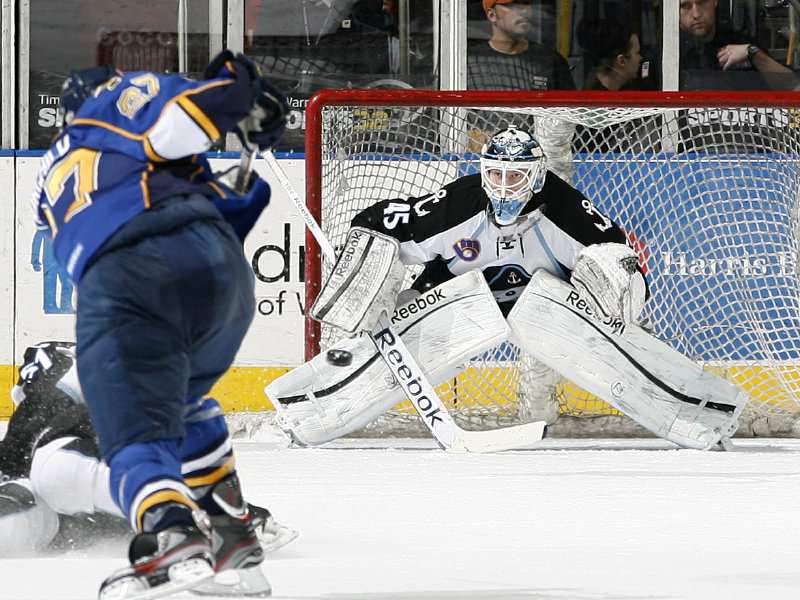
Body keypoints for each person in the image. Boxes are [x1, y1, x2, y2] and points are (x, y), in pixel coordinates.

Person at [29, 49, 289, 600]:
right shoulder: (114, 137)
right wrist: (252, 108)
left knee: (138, 430)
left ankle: (171, 540)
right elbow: (214, 198)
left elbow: (177, 125)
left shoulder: (76, 146)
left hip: (129, 276)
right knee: (185, 405)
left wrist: (236, 83)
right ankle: (231, 536)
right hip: (223, 277)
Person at [0, 341, 297, 557]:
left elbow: (27, 432)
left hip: (67, 470)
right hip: (81, 466)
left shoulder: (67, 373)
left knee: (49, 496)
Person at [641, 0, 793, 90]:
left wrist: (755, 55)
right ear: (673, 9)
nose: (696, 14)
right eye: (685, 5)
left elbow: (792, 87)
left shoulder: (743, 44)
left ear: (715, 1)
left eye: (702, 1)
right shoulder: (660, 58)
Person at [467, 0, 575, 91]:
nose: (523, 11)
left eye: (526, 3)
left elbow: (569, 112)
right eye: (512, 5)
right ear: (492, 15)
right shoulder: (469, 62)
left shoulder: (550, 61)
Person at [577, 17, 642, 91]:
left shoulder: (594, 91)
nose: (640, 58)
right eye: (637, 53)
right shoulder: (600, 99)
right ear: (622, 61)